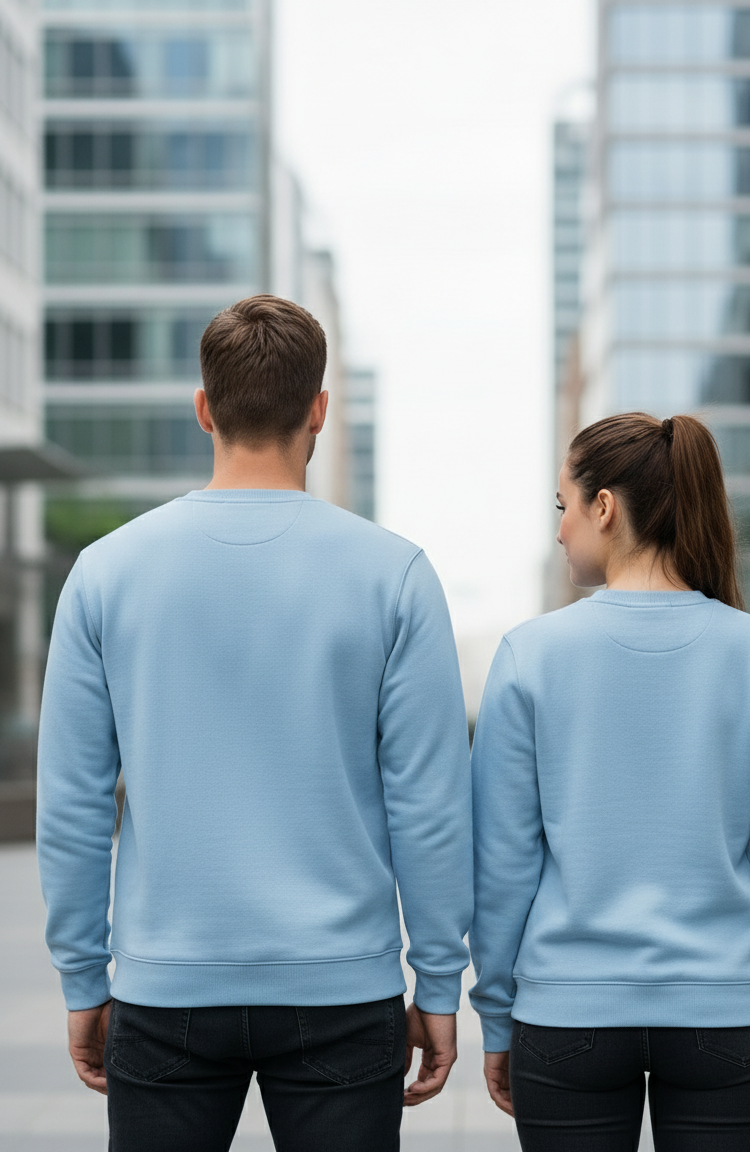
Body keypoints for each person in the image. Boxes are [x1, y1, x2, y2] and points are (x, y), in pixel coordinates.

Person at [37, 294, 473, 1152]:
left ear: (204, 408)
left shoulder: (104, 573)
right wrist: (438, 984)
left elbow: (73, 803)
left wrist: (84, 977)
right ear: (318, 411)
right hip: (343, 994)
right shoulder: (397, 575)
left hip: (165, 994)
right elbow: (429, 804)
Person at [469, 412, 750, 1151]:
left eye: (563, 507)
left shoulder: (529, 655)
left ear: (605, 507)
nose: (560, 529)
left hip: (566, 1017)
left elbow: (502, 867)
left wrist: (498, 1012)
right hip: (728, 1016)